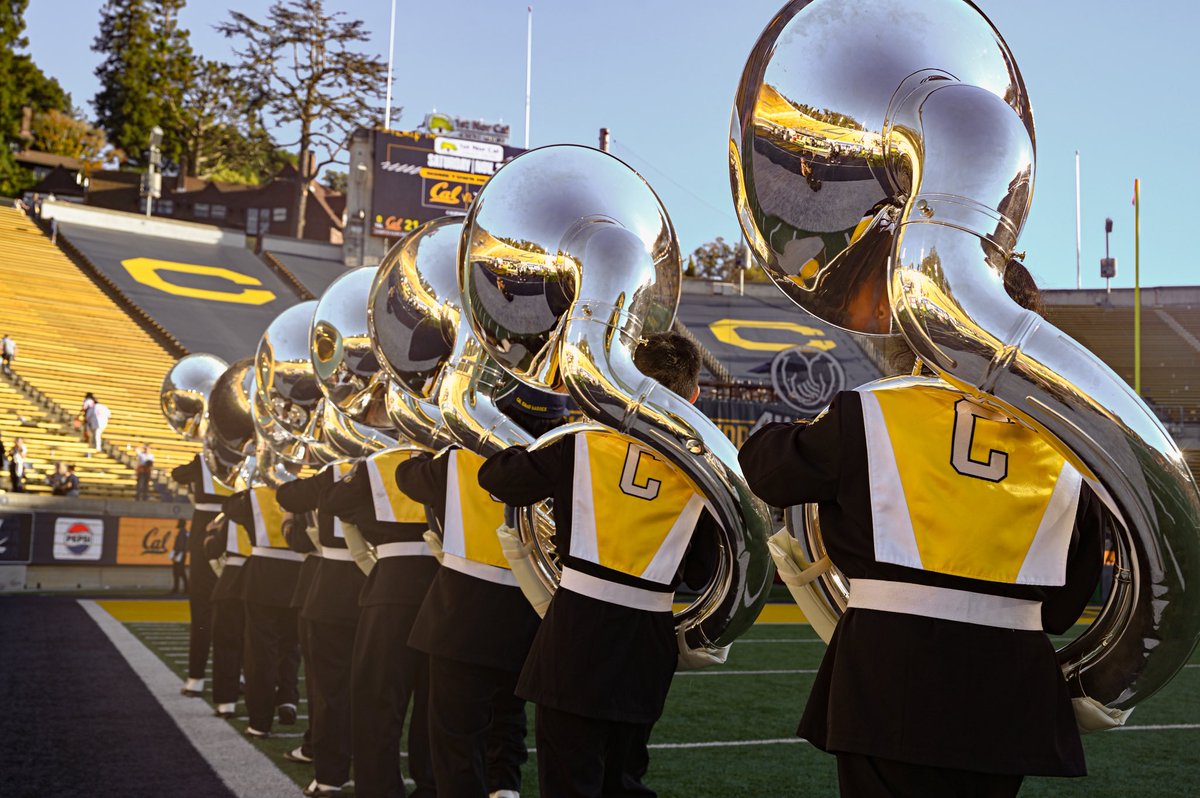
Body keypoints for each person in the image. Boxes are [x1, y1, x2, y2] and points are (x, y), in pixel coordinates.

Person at [737, 264, 1105, 797]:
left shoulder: (873, 409)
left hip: (888, 673)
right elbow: (1065, 608)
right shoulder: (1073, 447)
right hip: (1007, 691)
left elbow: (767, 472)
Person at [478, 332, 719, 798]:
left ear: (626, 384)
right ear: (693, 397)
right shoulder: (703, 473)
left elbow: (498, 478)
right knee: (624, 782)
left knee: (568, 781)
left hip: (574, 635)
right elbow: (701, 573)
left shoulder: (578, 443)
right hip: (646, 645)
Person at [394, 385, 567, 798]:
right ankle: (504, 789)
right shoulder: (562, 459)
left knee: (456, 735)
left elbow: (406, 478)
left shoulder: (456, 458)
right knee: (508, 719)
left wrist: (423, 441)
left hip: (460, 614)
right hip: (529, 612)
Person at [325, 448, 441, 798]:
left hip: (391, 588)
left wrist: (370, 516)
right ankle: (432, 786)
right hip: (446, 588)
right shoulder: (455, 458)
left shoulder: (376, 465)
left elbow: (333, 502)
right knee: (436, 704)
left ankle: (379, 789)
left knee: (377, 700)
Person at [277, 462, 365, 798]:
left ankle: (329, 774)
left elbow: (289, 495)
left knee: (328, 689)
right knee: (377, 689)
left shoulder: (337, 468)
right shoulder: (403, 461)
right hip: (386, 584)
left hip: (334, 587)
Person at [222, 482, 303, 738]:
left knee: (260, 652)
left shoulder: (253, 496)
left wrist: (251, 479)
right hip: (299, 575)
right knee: (291, 646)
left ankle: (260, 721)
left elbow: (229, 507)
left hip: (263, 576)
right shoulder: (307, 490)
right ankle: (288, 698)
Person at [171, 454, 228, 701]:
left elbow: (177, 474)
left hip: (203, 534)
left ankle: (196, 679)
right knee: (236, 613)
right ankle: (237, 677)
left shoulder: (203, 460)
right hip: (235, 532)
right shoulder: (246, 457)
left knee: (201, 612)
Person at [171, 519, 189, 594]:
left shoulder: (182, 532)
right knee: (180, 572)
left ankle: (177, 589)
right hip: (181, 554)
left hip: (179, 555)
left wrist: (176, 555)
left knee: (177, 572)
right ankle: (186, 589)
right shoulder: (184, 532)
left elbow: (180, 545)